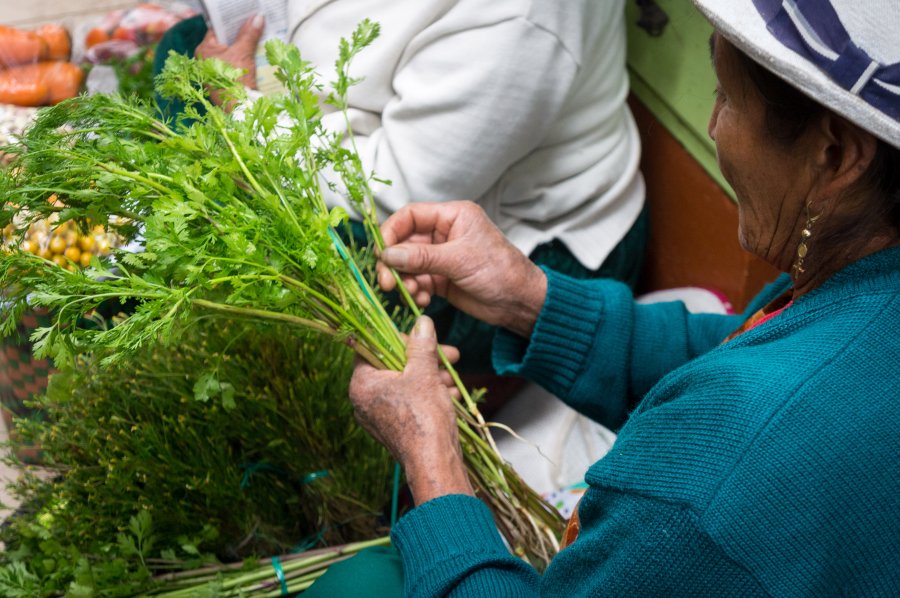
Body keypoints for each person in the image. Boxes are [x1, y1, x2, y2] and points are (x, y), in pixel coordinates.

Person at [333, 0, 900, 595]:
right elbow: (733, 347)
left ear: (835, 154)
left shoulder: (709, 493)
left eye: (726, 97)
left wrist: (432, 458)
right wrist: (529, 298)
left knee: (355, 584)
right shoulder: (857, 279)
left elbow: (737, 422)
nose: (711, 127)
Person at [178, 0, 647, 372]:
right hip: (367, 138)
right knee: (183, 55)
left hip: (521, 240)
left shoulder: (520, 18)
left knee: (281, 255)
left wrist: (240, 105)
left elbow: (395, 189)